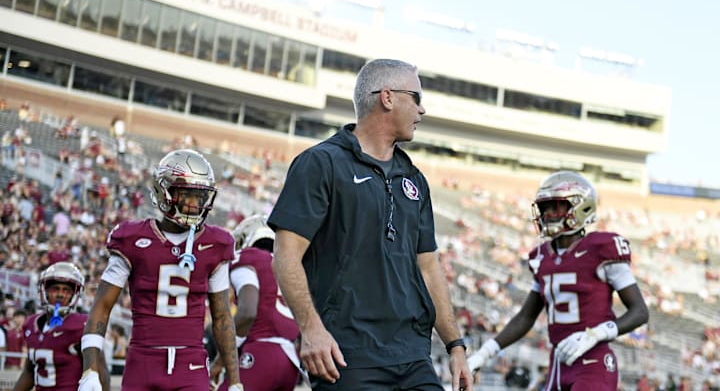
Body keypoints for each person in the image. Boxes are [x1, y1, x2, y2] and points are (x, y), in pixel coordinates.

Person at [268, 58, 473, 391]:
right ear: (387, 97)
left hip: (413, 354)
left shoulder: (414, 179)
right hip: (347, 355)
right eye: (417, 98)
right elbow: (286, 255)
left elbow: (429, 268)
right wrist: (311, 328)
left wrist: (455, 345)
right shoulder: (320, 164)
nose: (423, 111)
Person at [77, 149, 243, 391]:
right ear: (163, 191)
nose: (194, 204)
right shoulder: (132, 239)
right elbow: (102, 307)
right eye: (186, 194)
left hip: (191, 365)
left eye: (200, 197)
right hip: (142, 363)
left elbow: (222, 317)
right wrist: (89, 369)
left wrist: (235, 380)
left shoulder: (216, 244)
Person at [467, 171, 649, 390]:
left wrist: (595, 334)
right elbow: (526, 317)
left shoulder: (602, 248)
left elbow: (639, 311)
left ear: (580, 207)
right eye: (545, 208)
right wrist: (483, 353)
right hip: (557, 363)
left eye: (557, 207)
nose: (549, 214)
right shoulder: (541, 257)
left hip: (593, 361)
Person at [210, 214, 303, 391]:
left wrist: (220, 362)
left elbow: (247, 313)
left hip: (262, 355)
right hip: (291, 363)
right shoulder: (287, 268)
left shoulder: (248, 258)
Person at [13, 262, 87, 391]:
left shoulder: (81, 326)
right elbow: (30, 372)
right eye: (55, 289)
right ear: (45, 291)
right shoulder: (31, 325)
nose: (60, 294)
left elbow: (99, 371)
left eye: (66, 290)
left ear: (73, 295)